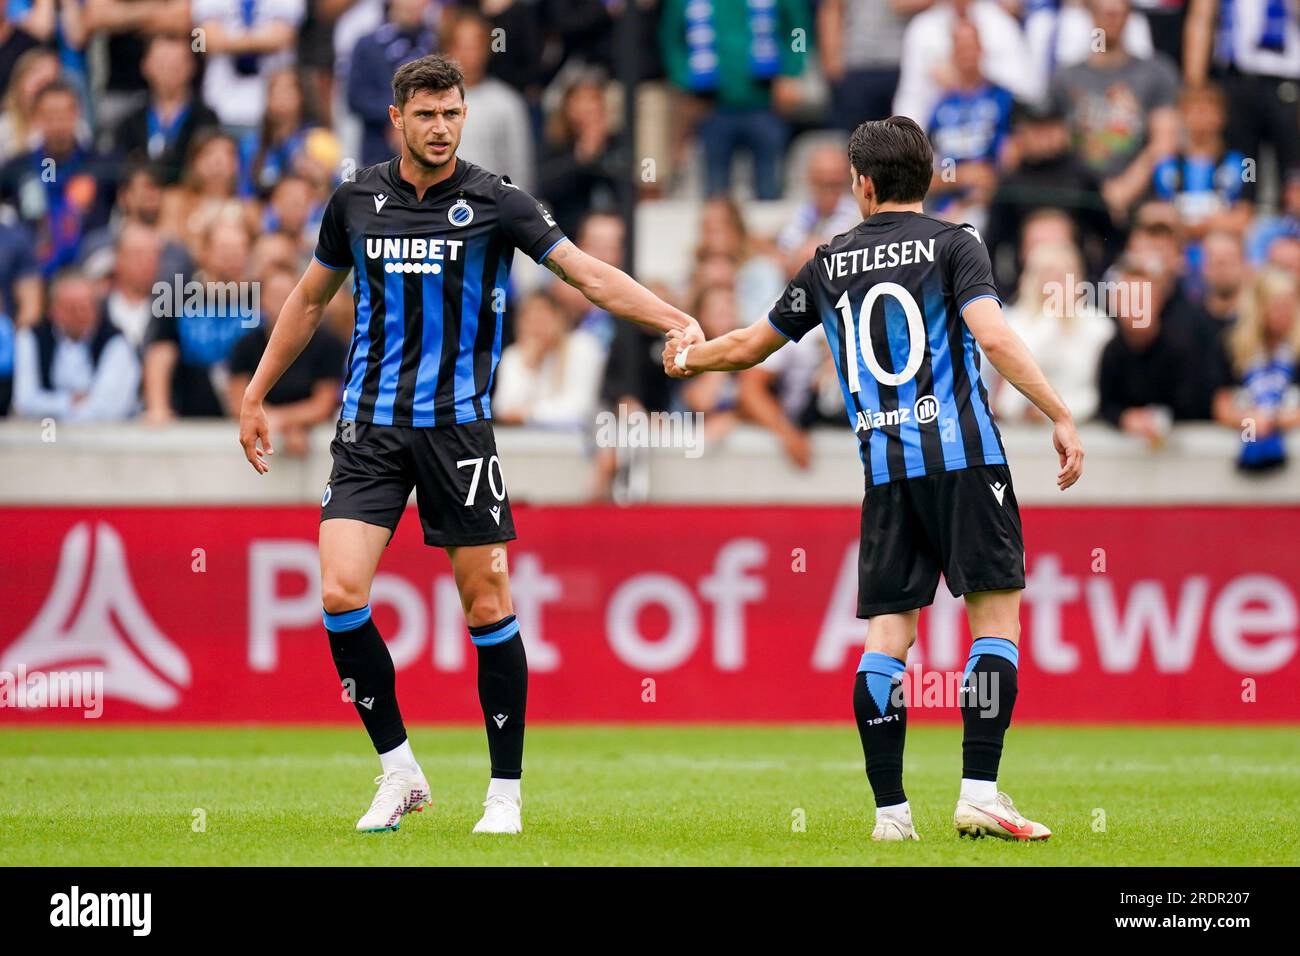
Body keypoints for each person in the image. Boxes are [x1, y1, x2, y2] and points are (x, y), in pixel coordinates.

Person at [236, 54, 702, 837]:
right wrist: (255, 392)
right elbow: (310, 299)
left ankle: (505, 795)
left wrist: (672, 320)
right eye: (427, 115)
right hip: (369, 429)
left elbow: (584, 274)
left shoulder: (496, 201)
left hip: (458, 431)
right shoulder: (355, 201)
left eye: (453, 113)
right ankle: (399, 771)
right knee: (340, 594)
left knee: (487, 602)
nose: (443, 127)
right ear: (397, 120)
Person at [662, 116, 1084, 843]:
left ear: (862, 185)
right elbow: (992, 334)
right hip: (964, 460)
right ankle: (979, 791)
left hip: (886, 474)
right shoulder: (957, 243)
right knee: (995, 622)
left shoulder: (827, 263)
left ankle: (891, 815)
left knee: (889, 635)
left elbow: (749, 347)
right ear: (926, 178)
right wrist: (1059, 412)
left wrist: (688, 359)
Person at [227, 266, 343, 455]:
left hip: (310, 434)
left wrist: (280, 421)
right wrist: (281, 424)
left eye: (287, 294)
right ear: (261, 301)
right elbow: (237, 402)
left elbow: (323, 405)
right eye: (273, 294)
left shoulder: (328, 344)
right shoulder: (244, 345)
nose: (280, 301)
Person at [11, 268, 139, 421]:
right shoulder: (30, 337)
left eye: (86, 307)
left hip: (102, 436)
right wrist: (69, 401)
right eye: (71, 308)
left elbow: (110, 408)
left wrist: (50, 407)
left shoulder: (116, 341)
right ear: (53, 309)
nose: (79, 314)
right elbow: (24, 402)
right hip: (44, 434)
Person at [1210, 266, 1300, 471]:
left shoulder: (1297, 348)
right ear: (1260, 308)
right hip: (1241, 449)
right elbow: (1221, 405)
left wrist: (1275, 420)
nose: (1285, 315)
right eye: (1278, 307)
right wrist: (1250, 422)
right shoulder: (1231, 345)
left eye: (1289, 306)